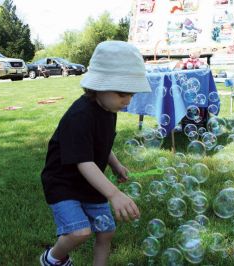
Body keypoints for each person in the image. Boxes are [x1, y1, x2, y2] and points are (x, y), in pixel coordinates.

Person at [40, 41, 151, 266]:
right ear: (100, 86)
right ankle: (52, 258)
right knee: (79, 232)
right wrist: (114, 194)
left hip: (90, 184)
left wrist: (115, 164)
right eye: (122, 93)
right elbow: (84, 162)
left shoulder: (109, 108)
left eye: (131, 94)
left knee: (106, 231)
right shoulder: (79, 116)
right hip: (64, 183)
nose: (128, 100)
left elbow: (101, 144)